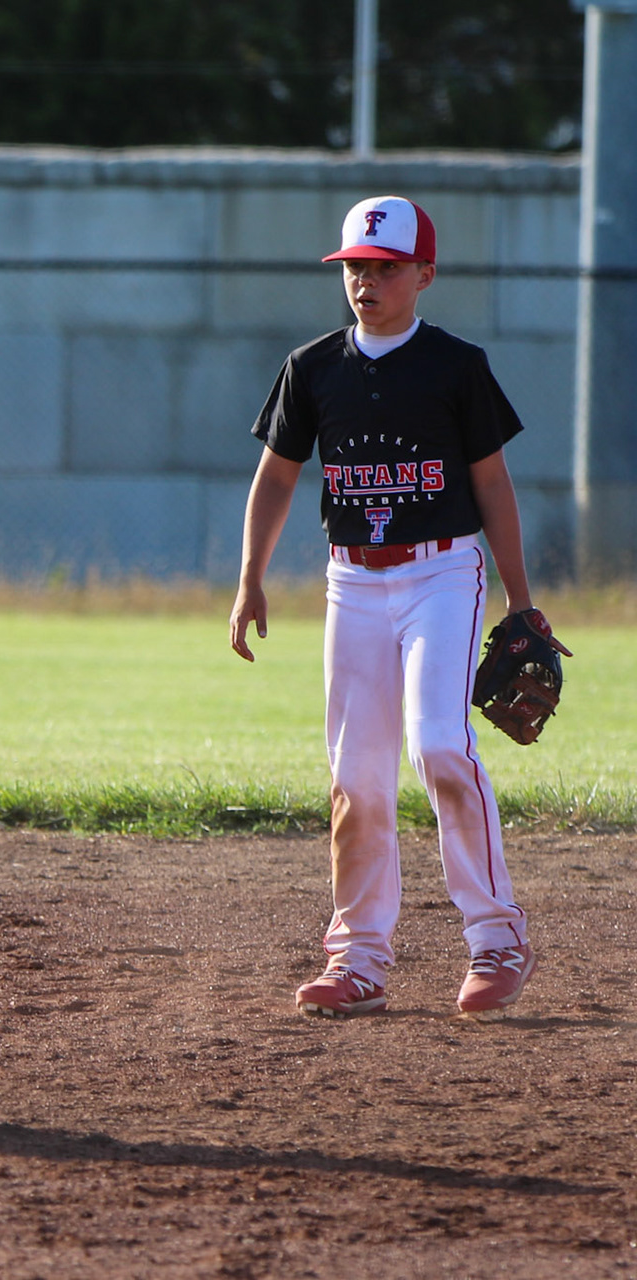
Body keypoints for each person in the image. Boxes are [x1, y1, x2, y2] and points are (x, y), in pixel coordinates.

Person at [228, 194, 565, 1022]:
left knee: (441, 747)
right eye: (354, 269)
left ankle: (497, 937)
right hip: (353, 584)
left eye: (383, 269)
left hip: (441, 576)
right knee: (356, 775)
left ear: (424, 274)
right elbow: (277, 477)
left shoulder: (455, 365)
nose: (365, 283)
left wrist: (522, 602)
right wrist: (250, 578)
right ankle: (359, 959)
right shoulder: (313, 369)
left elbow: (492, 483)